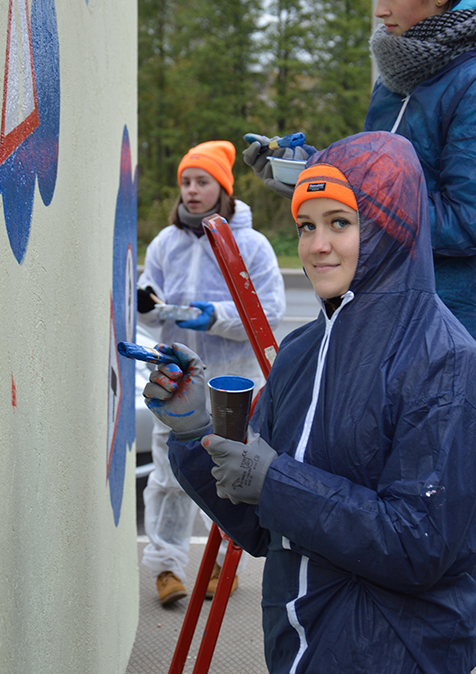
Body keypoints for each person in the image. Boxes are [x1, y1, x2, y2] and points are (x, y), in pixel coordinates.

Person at [143, 131, 476, 674]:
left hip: (394, 654)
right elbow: (261, 528)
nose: (317, 246)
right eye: (306, 225)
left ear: (391, 227)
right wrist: (194, 433)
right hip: (295, 649)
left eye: (340, 223)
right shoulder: (300, 353)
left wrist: (275, 481)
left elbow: (419, 546)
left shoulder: (447, 365)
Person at [244, 0, 476, 416]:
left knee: (438, 469)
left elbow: (470, 224)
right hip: (389, 308)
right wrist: (311, 172)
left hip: (463, 320)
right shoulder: (398, 81)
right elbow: (378, 180)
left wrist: (348, 197)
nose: (380, 9)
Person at [137, 139, 286, 605]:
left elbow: (269, 311)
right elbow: (150, 309)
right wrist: (145, 304)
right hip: (179, 387)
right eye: (186, 181)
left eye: (203, 181)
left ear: (224, 189)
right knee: (168, 478)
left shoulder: (251, 245)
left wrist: (216, 317)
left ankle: (222, 562)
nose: (192, 190)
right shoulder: (165, 244)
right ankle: (167, 569)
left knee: (228, 477)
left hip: (232, 388)